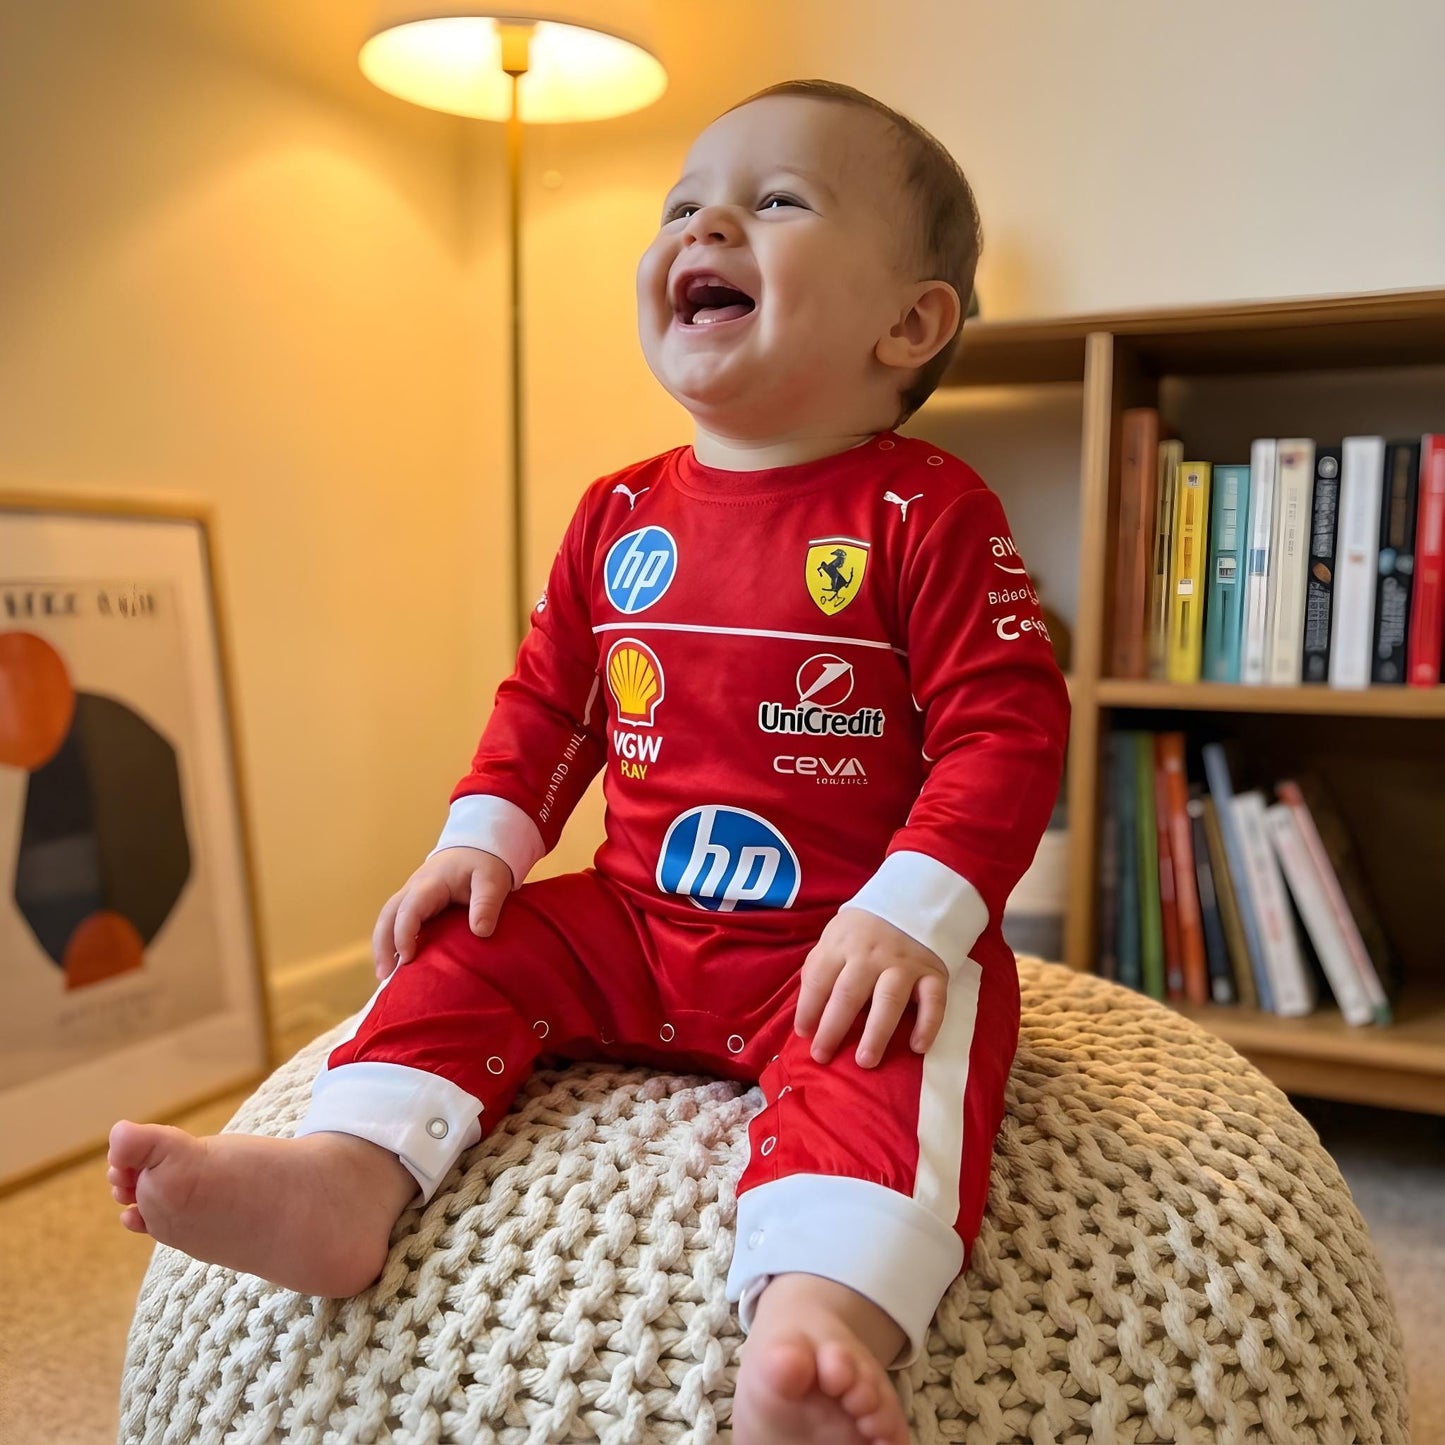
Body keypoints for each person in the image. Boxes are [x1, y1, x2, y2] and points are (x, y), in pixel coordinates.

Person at [108, 78, 1069, 1445]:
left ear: (909, 324)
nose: (705, 227)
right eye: (682, 207)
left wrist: (913, 913)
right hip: (630, 918)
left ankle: (817, 1325)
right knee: (467, 947)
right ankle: (342, 1176)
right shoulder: (618, 511)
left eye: (774, 201)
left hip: (837, 944)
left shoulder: (929, 510)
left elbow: (1005, 729)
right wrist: (481, 837)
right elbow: (550, 700)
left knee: (909, 1044)